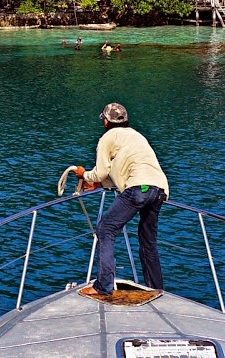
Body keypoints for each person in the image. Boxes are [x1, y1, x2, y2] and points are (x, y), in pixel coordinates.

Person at [71, 102, 169, 301]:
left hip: (138, 189)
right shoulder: (136, 136)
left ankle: (103, 286)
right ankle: (156, 288)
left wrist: (84, 175)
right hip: (158, 190)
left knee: (105, 229)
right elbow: (123, 167)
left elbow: (101, 171)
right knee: (147, 240)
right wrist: (100, 184)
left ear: (106, 122)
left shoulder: (107, 138)